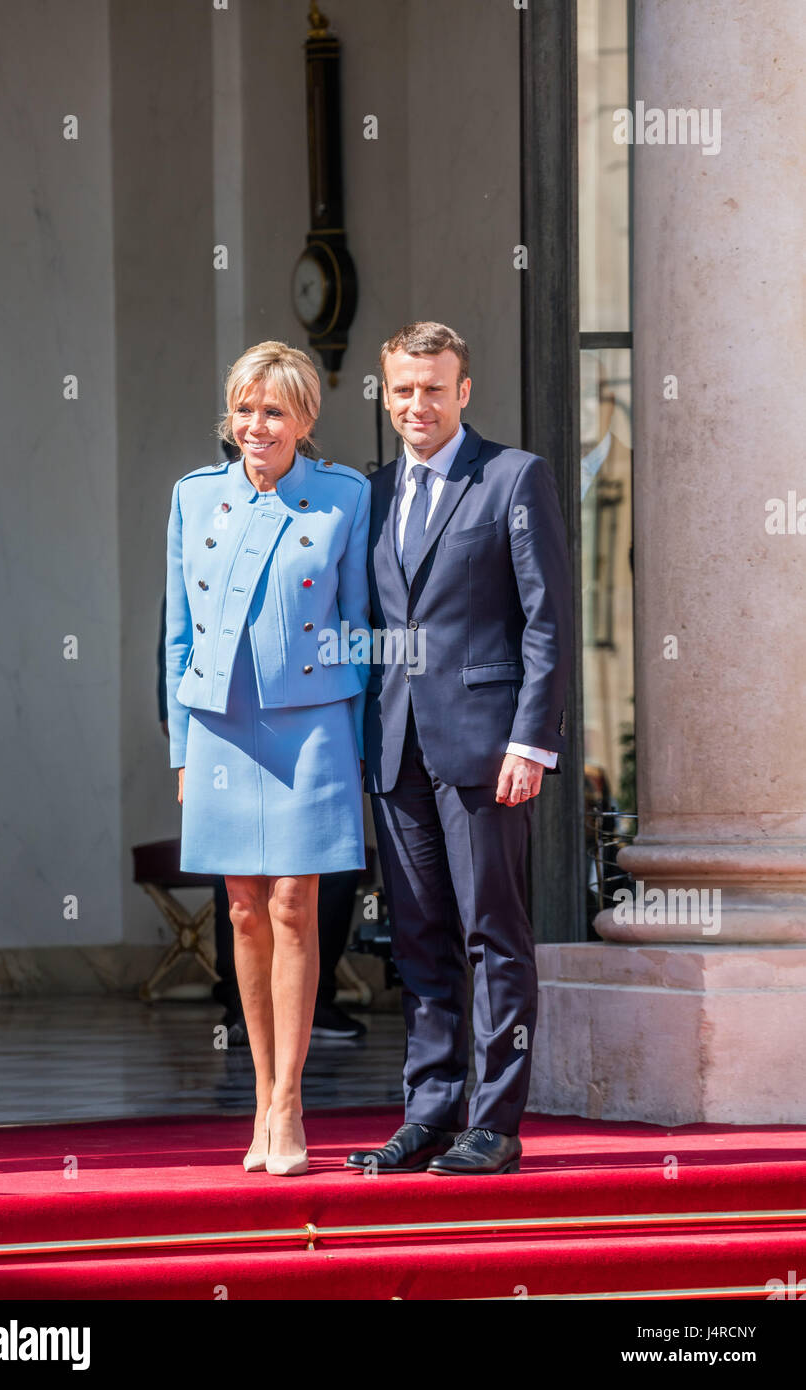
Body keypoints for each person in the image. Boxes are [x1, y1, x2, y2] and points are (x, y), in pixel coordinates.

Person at [347, 321, 572, 1176]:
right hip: (393, 746)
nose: (416, 404)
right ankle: (430, 1110)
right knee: (418, 940)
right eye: (402, 389)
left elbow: (547, 620)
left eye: (433, 388)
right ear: (385, 392)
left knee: (493, 935)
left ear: (463, 390)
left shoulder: (513, 478)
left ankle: (495, 1122)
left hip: (485, 748)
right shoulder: (368, 494)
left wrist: (531, 740)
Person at [165, 341, 371, 1175]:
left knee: (294, 905)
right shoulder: (191, 498)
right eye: (245, 409)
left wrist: (357, 753)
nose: (256, 425)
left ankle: (290, 1105)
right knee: (243, 909)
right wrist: (181, 752)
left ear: (304, 420)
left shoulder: (343, 498)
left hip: (313, 724)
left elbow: (360, 626)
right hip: (218, 725)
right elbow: (175, 635)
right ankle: (259, 1098)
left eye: (274, 411)